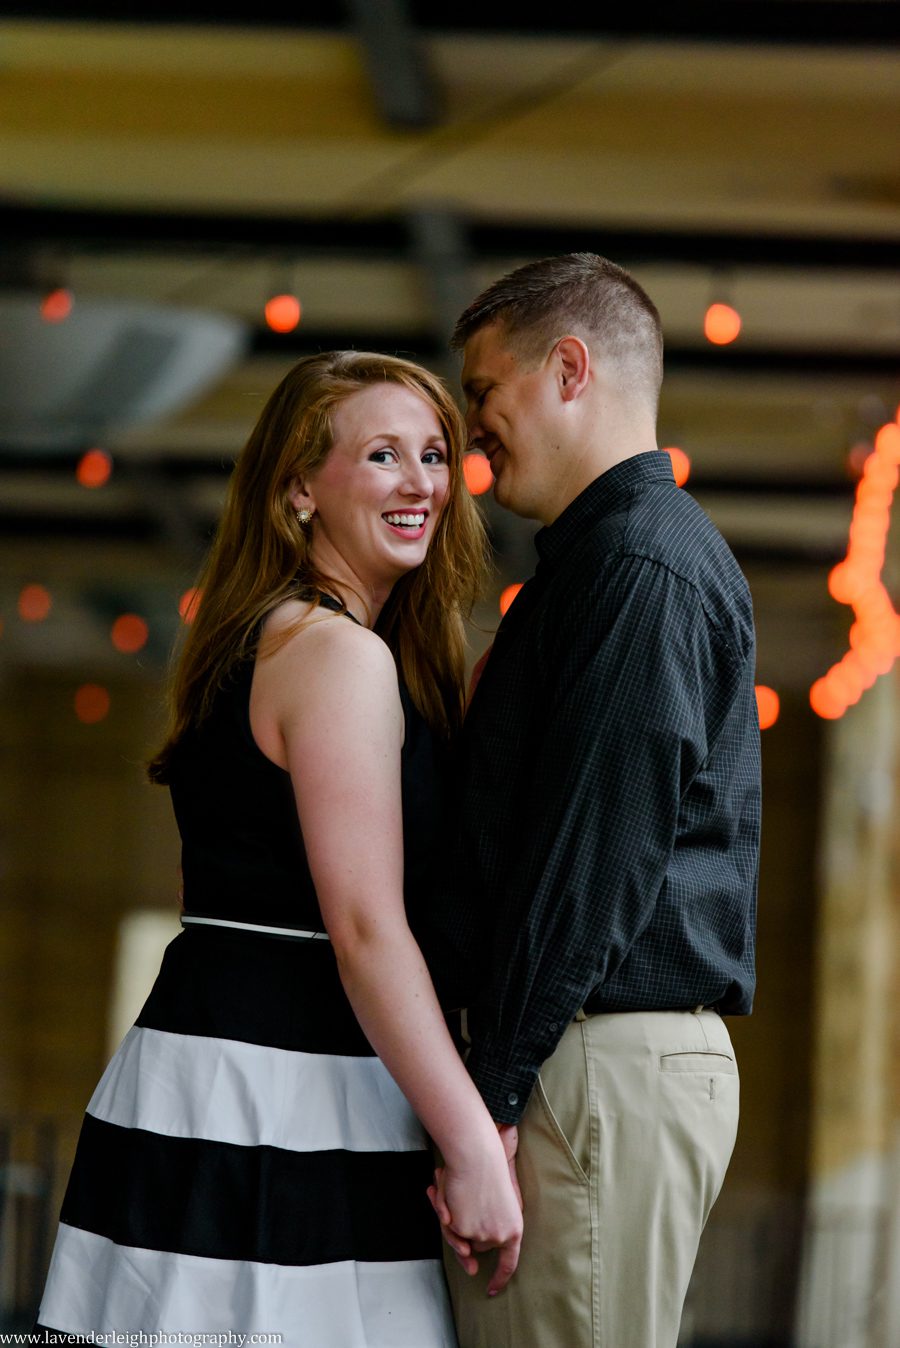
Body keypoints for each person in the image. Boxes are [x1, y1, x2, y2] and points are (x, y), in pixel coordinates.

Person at [36, 350, 522, 1347]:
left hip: (214, 1071)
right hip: (284, 1093)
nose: (420, 482)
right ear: (301, 488)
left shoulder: (267, 638)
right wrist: (473, 1141)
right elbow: (364, 930)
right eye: (382, 454)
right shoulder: (338, 656)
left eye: (434, 454)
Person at [427, 254, 760, 1348]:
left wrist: (489, 1102)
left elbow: (591, 864)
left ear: (569, 368)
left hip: (585, 1060)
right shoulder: (597, 565)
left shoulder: (638, 566)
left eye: (485, 389)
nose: (473, 426)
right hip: (580, 1057)